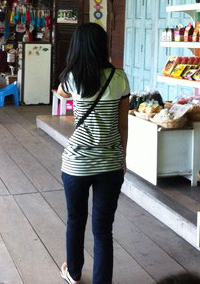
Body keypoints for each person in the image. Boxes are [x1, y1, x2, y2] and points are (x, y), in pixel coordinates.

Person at [56, 23, 130, 284]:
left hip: (77, 163)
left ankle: (74, 273)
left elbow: (60, 93)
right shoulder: (119, 78)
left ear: (77, 46)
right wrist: (123, 159)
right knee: (103, 229)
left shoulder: (71, 77)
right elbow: (123, 125)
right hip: (110, 164)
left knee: (75, 220)